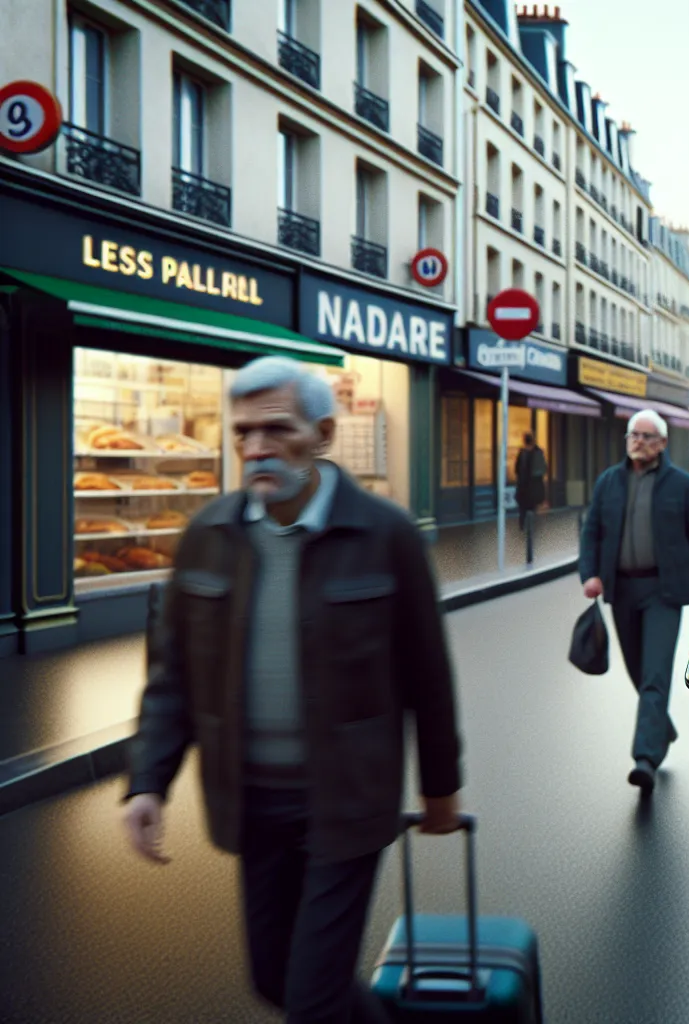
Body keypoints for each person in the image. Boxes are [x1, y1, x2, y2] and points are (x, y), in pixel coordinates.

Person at [122, 356, 464, 1023]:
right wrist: (146, 782)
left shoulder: (385, 536)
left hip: (346, 798)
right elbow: (172, 680)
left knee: (311, 997)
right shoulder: (208, 538)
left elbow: (429, 673)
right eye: (242, 433)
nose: (256, 449)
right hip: (251, 800)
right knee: (275, 981)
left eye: (276, 430)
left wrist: (440, 786)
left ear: (325, 433)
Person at [579, 409, 689, 793]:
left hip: (664, 592)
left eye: (645, 435)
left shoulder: (682, 485)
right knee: (638, 673)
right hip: (621, 591)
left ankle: (645, 758)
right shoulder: (609, 482)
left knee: (655, 673)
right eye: (632, 435)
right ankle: (662, 729)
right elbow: (591, 533)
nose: (637, 441)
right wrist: (589, 575)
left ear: (662, 443)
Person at [515, 431, 548, 547]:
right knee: (530, 509)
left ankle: (525, 528)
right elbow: (543, 470)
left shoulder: (523, 453)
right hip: (531, 487)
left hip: (526, 487)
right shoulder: (538, 452)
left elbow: (517, 470)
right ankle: (528, 528)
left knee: (524, 509)